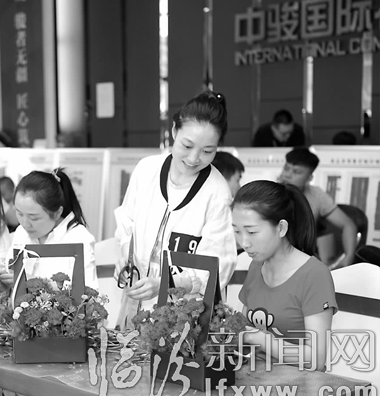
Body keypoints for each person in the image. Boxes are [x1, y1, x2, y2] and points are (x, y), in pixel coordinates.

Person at [114, 90, 237, 329]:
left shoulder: (217, 192)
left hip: (182, 320)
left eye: (207, 151)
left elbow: (219, 264)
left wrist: (165, 283)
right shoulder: (146, 170)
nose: (193, 158)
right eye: (187, 145)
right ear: (173, 131)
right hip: (134, 303)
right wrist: (125, 260)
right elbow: (126, 224)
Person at [233, 180, 337, 371]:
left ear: (281, 228)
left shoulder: (314, 274)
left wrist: (261, 340)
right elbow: (242, 327)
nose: (244, 242)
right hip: (255, 376)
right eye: (237, 231)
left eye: (252, 232)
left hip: (299, 384)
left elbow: (316, 359)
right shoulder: (256, 266)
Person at [0, 168, 98, 291]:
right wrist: (2, 281)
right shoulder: (21, 232)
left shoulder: (79, 237)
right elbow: (12, 276)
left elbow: (89, 291)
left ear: (57, 213)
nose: (25, 224)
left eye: (34, 218)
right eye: (19, 213)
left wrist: (32, 282)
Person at [278, 147, 357, 268]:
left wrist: (348, 259)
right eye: (286, 168)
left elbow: (348, 225)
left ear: (309, 178)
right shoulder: (268, 192)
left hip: (304, 260)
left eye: (296, 172)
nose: (287, 175)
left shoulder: (316, 195)